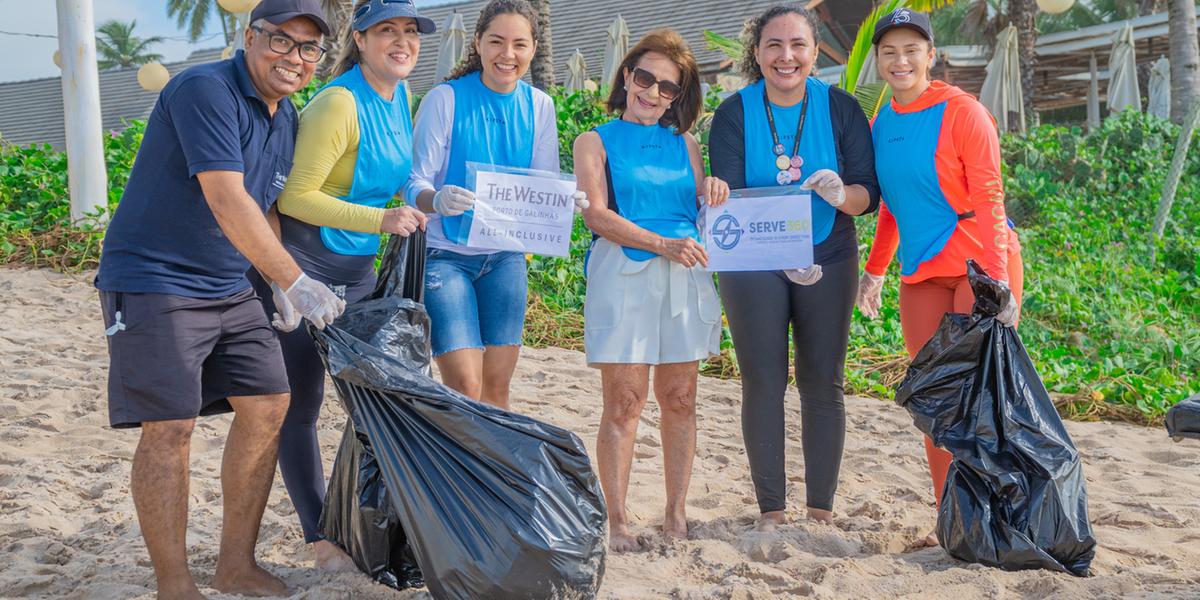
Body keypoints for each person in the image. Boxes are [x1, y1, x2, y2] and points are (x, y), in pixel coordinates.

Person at [93, 1, 341, 597]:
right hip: (156, 278)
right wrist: (294, 281)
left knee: (268, 405)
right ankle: (174, 584)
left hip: (231, 284)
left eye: (309, 49)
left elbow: (266, 205)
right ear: (250, 37)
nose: (295, 58)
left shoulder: (287, 117)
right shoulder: (203, 89)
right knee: (170, 426)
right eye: (282, 41)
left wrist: (279, 280)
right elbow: (227, 198)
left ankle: (236, 565)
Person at [245, 0, 433, 570]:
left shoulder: (400, 96)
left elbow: (385, 184)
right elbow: (297, 196)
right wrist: (382, 220)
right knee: (301, 407)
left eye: (410, 32)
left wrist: (424, 202)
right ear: (361, 38)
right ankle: (320, 539)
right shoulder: (338, 103)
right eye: (387, 32)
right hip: (305, 267)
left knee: (372, 404)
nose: (401, 42)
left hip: (360, 271)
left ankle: (369, 524)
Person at [708, 3, 880, 531]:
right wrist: (781, 254)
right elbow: (730, 198)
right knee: (763, 379)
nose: (787, 56)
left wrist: (840, 192)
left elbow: (867, 196)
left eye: (798, 45)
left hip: (828, 251)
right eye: (774, 46)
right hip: (753, 260)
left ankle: (821, 510)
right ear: (756, 54)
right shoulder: (733, 113)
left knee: (822, 380)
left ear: (814, 52)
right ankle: (772, 510)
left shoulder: (843, 109)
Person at [856, 8, 1024, 547]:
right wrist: (874, 272)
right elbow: (889, 208)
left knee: (978, 399)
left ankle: (998, 517)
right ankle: (952, 519)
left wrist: (997, 283)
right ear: (879, 62)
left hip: (978, 267)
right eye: (889, 51)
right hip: (921, 273)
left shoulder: (964, 112)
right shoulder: (881, 123)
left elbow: (990, 199)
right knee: (933, 402)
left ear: (931, 56)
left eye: (912, 50)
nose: (900, 60)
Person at [574, 29, 730, 552]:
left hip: (683, 274)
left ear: (678, 96)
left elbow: (698, 214)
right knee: (624, 401)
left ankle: (676, 513)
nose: (654, 92)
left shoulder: (687, 144)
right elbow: (597, 215)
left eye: (668, 87)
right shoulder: (593, 140)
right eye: (646, 78)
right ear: (626, 76)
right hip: (625, 272)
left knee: (681, 398)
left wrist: (712, 193)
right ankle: (617, 520)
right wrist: (662, 243)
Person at [402, 0, 586, 410]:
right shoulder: (444, 98)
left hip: (505, 258)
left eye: (519, 44)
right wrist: (437, 199)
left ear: (534, 49)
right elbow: (412, 182)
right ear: (478, 44)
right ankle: (453, 473)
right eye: (497, 42)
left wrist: (563, 201)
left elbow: (542, 182)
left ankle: (490, 476)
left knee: (498, 385)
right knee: (465, 385)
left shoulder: (541, 105)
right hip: (446, 256)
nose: (508, 54)